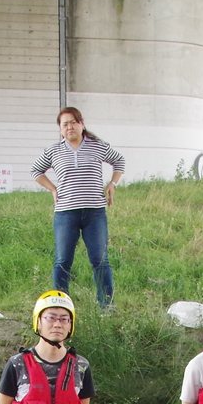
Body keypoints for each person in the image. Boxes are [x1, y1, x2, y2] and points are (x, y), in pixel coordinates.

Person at [33, 107, 125, 311]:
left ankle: (106, 306)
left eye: (73, 122)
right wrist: (52, 189)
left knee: (100, 260)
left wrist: (113, 183)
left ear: (82, 124)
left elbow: (119, 161)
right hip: (66, 213)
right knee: (62, 260)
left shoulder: (97, 146)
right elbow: (36, 170)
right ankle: (59, 305)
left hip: (95, 213)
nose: (70, 127)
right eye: (65, 124)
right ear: (60, 129)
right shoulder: (53, 151)